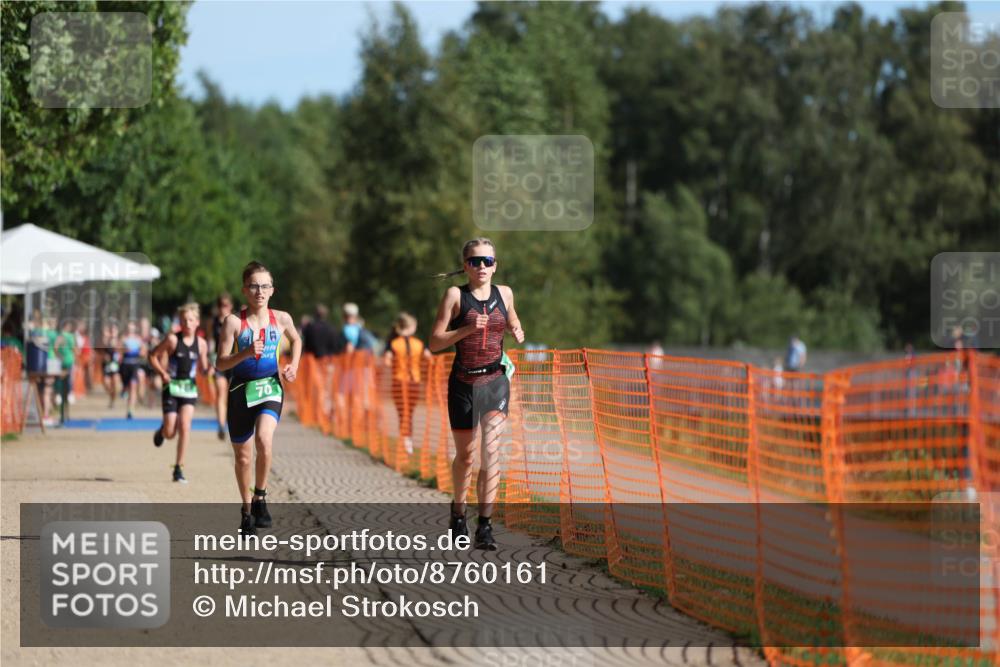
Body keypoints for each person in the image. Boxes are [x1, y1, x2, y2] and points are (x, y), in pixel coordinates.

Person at [429, 237, 525, 550]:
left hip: (495, 380)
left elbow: (512, 318)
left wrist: (516, 329)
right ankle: (458, 513)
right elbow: (435, 342)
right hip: (463, 384)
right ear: (465, 266)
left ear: (495, 265)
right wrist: (469, 329)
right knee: (467, 455)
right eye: (474, 261)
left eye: (487, 261)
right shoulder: (455, 296)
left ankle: (485, 526)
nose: (481, 266)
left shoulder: (505, 293)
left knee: (491, 451)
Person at [216, 261, 301, 536]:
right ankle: (246, 509)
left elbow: (296, 341)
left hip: (270, 387)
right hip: (240, 391)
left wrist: (294, 365)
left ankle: (260, 497)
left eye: (264, 286)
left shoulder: (282, 318)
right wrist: (245, 352)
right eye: (254, 286)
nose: (259, 291)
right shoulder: (233, 322)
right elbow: (220, 363)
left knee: (264, 439)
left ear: (272, 290)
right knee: (243, 458)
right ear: (244, 290)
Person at [149, 303, 210, 483]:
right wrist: (163, 373)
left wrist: (210, 371)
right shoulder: (172, 340)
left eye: (191, 320)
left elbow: (203, 367)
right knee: (170, 432)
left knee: (185, 425)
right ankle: (162, 431)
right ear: (179, 322)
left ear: (197, 322)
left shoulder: (202, 344)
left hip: (189, 389)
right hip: (172, 388)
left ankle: (178, 468)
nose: (187, 323)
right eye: (184, 320)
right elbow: (152, 356)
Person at [384, 312, 432, 454]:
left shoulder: (393, 343)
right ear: (411, 327)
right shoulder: (419, 344)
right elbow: (429, 358)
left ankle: (404, 439)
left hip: (399, 382)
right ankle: (408, 441)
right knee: (409, 413)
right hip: (414, 382)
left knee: (401, 413)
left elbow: (387, 361)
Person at [211, 293, 235, 440]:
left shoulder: (235, 321)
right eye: (220, 305)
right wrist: (208, 359)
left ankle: (232, 422)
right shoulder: (212, 322)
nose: (222, 308)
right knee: (221, 392)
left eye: (225, 305)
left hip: (234, 362)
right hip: (219, 362)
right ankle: (221, 425)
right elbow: (209, 342)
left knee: (232, 395)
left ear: (230, 306)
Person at [119, 321, 146, 420]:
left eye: (132, 328)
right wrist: (124, 350)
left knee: (133, 386)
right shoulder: (123, 339)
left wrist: (138, 351)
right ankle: (124, 390)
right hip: (125, 366)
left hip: (134, 365)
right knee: (126, 387)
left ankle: (130, 410)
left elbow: (143, 352)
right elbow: (119, 351)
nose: (131, 329)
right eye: (129, 328)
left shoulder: (138, 339)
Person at [100, 324, 123, 409]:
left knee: (116, 384)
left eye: (114, 330)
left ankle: (112, 401)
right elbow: (101, 351)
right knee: (106, 383)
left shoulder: (119, 341)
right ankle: (111, 396)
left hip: (115, 365)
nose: (112, 332)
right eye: (111, 330)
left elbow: (121, 353)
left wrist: (119, 356)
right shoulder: (105, 341)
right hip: (106, 366)